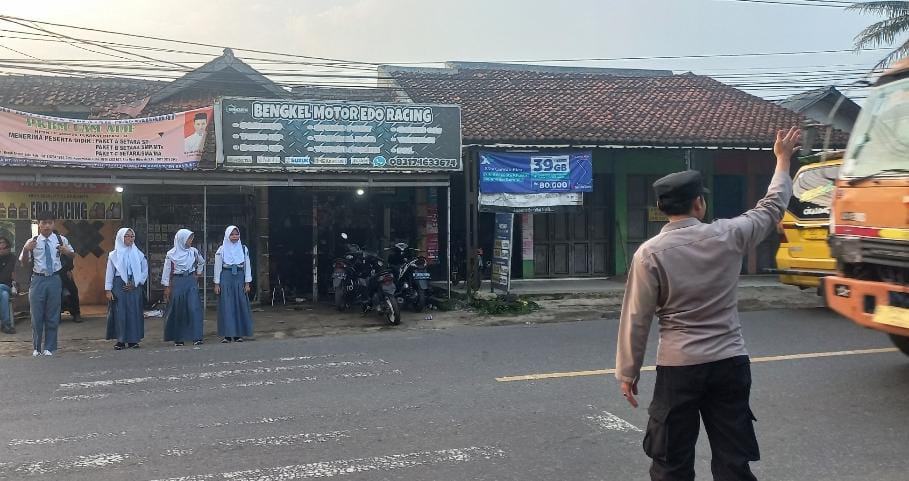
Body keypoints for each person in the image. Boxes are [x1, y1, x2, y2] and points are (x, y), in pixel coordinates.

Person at [615, 127, 801, 481]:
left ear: (661, 208)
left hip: (678, 369)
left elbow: (637, 317)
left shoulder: (649, 254)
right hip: (729, 363)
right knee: (733, 462)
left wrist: (628, 372)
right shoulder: (729, 235)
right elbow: (773, 205)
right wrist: (782, 160)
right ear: (699, 203)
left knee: (671, 462)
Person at [19, 211, 76, 357]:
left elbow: (72, 254)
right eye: (43, 223)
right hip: (37, 280)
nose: (46, 226)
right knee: (36, 316)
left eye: (50, 223)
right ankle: (37, 348)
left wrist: (66, 251)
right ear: (39, 224)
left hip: (54, 279)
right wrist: (26, 250)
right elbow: (23, 263)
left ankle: (50, 347)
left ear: (54, 224)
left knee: (53, 315)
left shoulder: (61, 239)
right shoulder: (32, 241)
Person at [105, 228, 148, 350]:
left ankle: (133, 340)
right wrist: (108, 290)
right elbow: (109, 273)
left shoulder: (139, 254)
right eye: (127, 236)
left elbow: (144, 271)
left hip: (134, 285)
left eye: (132, 236)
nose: (130, 238)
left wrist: (136, 282)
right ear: (121, 237)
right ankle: (121, 340)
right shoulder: (113, 255)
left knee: (134, 312)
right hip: (119, 285)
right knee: (120, 313)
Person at [161, 229, 204, 346]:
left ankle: (196, 336)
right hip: (178, 281)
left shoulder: (193, 251)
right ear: (181, 239)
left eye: (191, 238)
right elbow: (167, 270)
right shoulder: (171, 254)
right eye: (188, 238)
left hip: (190, 280)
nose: (190, 241)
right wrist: (166, 287)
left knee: (193, 307)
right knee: (178, 309)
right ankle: (179, 338)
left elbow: (201, 262)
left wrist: (198, 274)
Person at [213, 225, 253, 343]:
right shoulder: (221, 250)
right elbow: (217, 267)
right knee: (227, 306)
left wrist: (247, 283)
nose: (235, 236)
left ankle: (238, 335)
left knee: (239, 305)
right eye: (232, 234)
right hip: (226, 278)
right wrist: (217, 284)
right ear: (227, 235)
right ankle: (227, 335)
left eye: (237, 234)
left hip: (239, 278)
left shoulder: (243, 249)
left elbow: (247, 266)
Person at [55, 229, 82, 323]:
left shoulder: (62, 241)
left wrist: (69, 269)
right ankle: (55, 315)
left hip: (64, 271)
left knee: (73, 291)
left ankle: (76, 313)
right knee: (54, 294)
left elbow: (71, 255)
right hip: (51, 273)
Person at [0, 236, 15, 334]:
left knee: (1, 287)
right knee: (4, 295)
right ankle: (6, 324)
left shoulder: (13, 258)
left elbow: (10, 275)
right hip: (3, 291)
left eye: (4, 247)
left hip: (9, 286)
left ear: (9, 247)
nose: (1, 249)